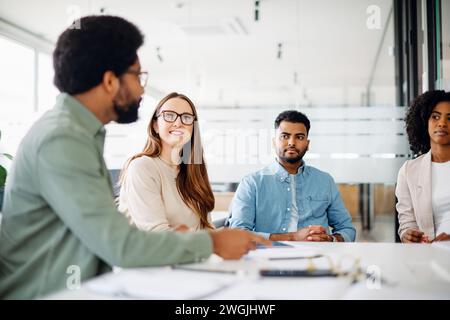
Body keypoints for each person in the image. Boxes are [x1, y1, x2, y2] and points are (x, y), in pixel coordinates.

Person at [0, 15, 269, 299]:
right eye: (138, 76)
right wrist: (212, 243)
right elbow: (121, 246)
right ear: (109, 81)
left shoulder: (78, 133)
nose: (142, 89)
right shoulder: (62, 139)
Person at [228, 110, 356, 242]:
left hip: (317, 257)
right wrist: (293, 237)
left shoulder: (324, 181)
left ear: (307, 143)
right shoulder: (252, 183)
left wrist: (330, 239)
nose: (291, 142)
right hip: (270, 256)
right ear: (274, 142)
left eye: (299, 137)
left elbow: (347, 229)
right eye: (285, 136)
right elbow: (238, 233)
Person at [118, 92, 214, 232]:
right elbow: (157, 235)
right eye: (169, 115)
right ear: (155, 125)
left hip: (193, 253)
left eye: (186, 117)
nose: (178, 122)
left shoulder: (194, 172)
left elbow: (205, 229)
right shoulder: (142, 167)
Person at [396, 90, 450, 243]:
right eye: (435, 116)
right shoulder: (409, 171)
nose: (442, 123)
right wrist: (408, 234)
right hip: (429, 256)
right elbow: (406, 222)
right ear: (424, 121)